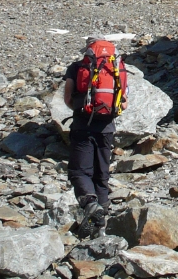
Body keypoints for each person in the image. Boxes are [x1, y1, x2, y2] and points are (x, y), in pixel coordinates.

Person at [64, 36, 126, 237]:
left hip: (82, 126)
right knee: (102, 173)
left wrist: (82, 108)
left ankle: (91, 205)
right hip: (107, 128)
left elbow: (67, 98)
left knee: (79, 172)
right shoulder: (116, 67)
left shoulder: (77, 67)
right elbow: (123, 103)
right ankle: (102, 222)